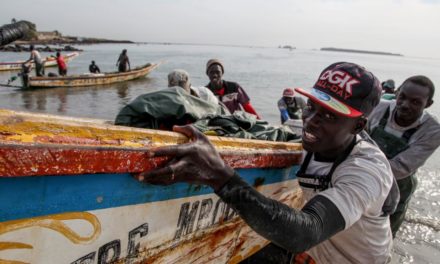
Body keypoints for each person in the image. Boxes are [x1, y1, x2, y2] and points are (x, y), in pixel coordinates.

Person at [139, 62, 394, 263]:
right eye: (312, 107)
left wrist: (218, 175)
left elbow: (307, 232)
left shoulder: (366, 170)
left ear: (359, 126)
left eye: (328, 115)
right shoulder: (310, 136)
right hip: (317, 254)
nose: (312, 120)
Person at [367, 75, 440, 237]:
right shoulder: (379, 107)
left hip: (398, 186)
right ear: (397, 93)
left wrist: (358, 167)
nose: (405, 105)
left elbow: (401, 168)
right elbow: (356, 137)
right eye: (403, 97)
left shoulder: (433, 130)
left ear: (428, 104)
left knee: (383, 237)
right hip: (364, 176)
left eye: (416, 102)